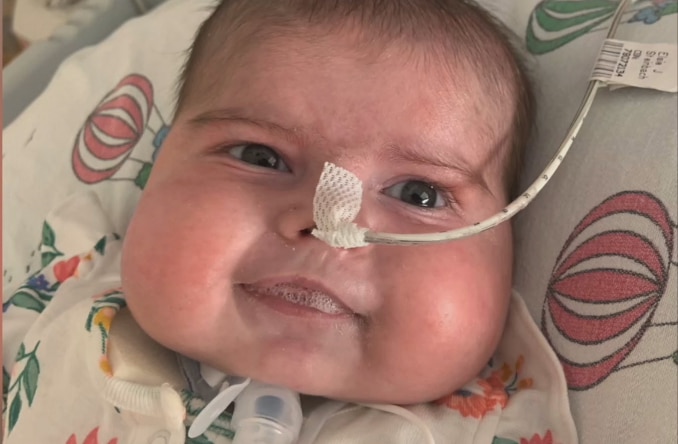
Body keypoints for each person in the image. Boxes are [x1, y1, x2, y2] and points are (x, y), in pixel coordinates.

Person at [2, 0, 577, 442]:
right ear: (158, 165)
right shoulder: (67, 278)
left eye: (419, 195)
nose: (328, 222)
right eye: (261, 156)